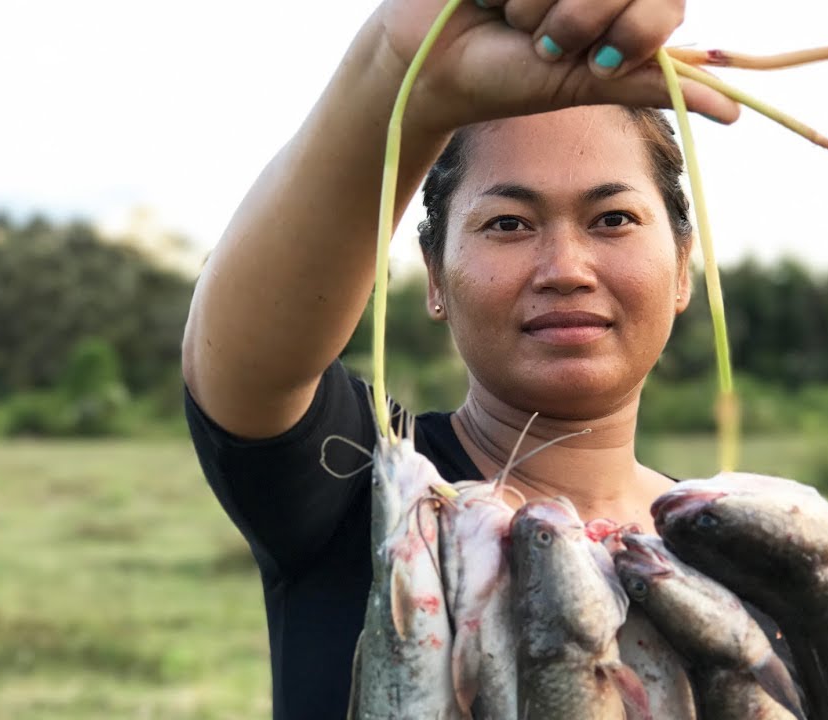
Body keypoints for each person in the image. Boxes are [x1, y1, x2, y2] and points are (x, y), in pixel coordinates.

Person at [181, 0, 745, 717]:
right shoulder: (369, 489)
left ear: (684, 266)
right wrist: (394, 66)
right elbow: (244, 356)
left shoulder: (741, 546)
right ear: (437, 277)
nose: (565, 267)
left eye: (613, 219)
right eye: (508, 224)